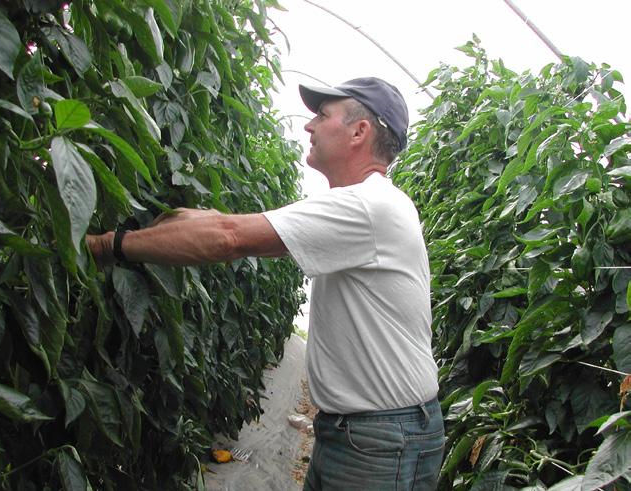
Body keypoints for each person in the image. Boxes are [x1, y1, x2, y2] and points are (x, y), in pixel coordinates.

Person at [87, 77, 444, 490]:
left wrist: (105, 245)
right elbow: (245, 230)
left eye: (322, 116)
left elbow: (229, 238)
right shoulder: (367, 205)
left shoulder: (367, 205)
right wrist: (181, 217)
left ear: (360, 132)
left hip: (381, 441)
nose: (309, 126)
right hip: (363, 433)